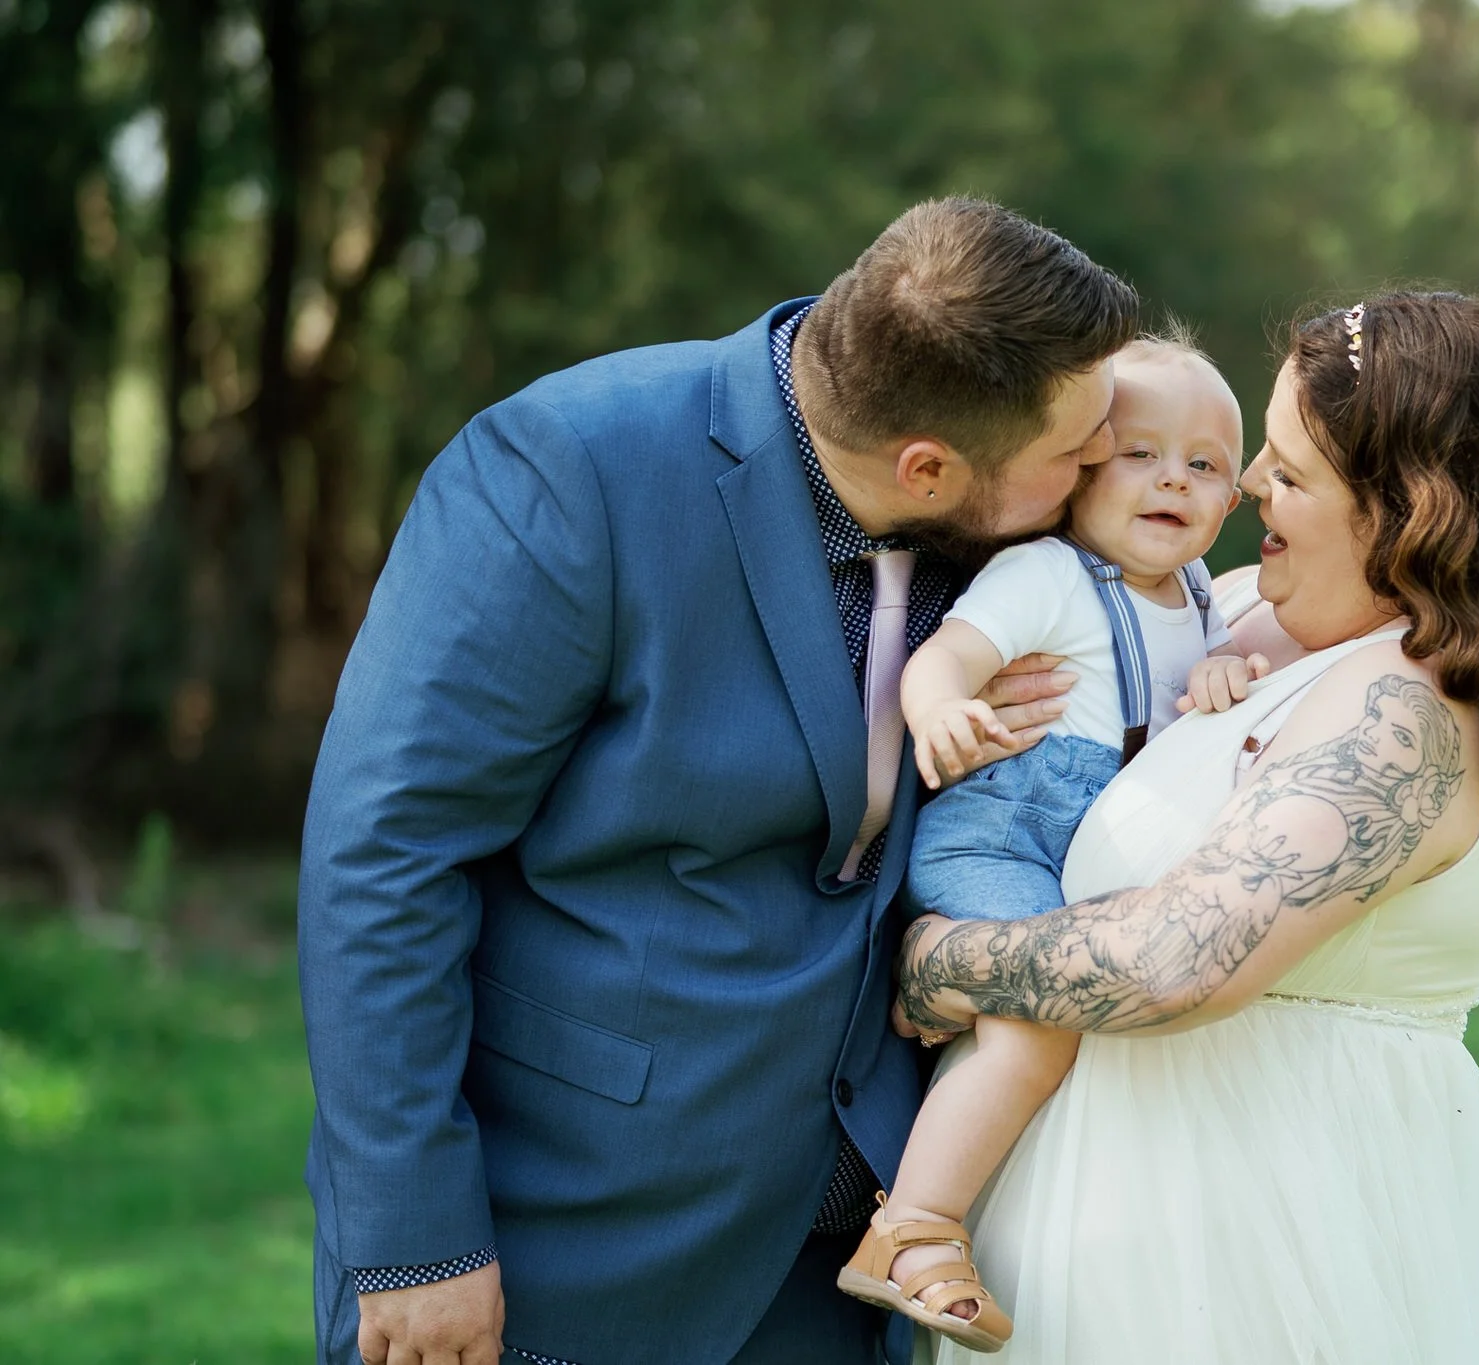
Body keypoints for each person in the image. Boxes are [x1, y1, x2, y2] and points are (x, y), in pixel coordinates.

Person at [297, 197, 1138, 1365]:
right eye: (1075, 451)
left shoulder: (1011, 551)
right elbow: (385, 852)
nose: (1103, 462)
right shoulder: (567, 467)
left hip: (844, 1267)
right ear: (928, 467)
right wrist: (412, 1240)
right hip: (567, 1241)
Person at [895, 290, 1479, 1364]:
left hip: (1246, 1252)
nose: (1251, 481)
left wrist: (936, 961)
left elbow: (1176, 959)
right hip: (1118, 1228)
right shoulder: (1233, 610)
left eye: (1291, 473)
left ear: (1406, 516)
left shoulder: (1404, 714)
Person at [836, 335, 1248, 1350]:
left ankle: (950, 1016)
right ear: (1081, 469)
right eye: (1140, 453)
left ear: (1233, 498)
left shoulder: (1203, 599)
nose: (1172, 478)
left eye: (1202, 464)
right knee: (1043, 1027)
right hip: (998, 844)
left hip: (1077, 869)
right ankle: (912, 1229)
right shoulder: (1048, 574)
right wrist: (942, 712)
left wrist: (1221, 681)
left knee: (1071, 1020)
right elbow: (945, 657)